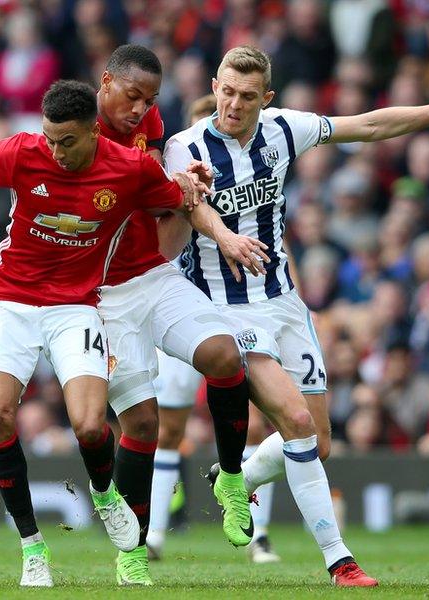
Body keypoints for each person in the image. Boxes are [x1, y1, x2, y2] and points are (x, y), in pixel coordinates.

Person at [159, 45, 429, 587]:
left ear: (265, 99)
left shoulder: (283, 128)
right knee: (294, 422)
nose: (232, 104)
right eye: (226, 91)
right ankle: (339, 559)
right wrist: (226, 236)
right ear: (215, 84)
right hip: (222, 308)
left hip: (284, 302)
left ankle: (235, 476)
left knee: (318, 441)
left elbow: (368, 125)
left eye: (246, 97)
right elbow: (190, 205)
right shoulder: (186, 145)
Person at [0, 80, 248, 587]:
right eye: (49, 139)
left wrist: (197, 194)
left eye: (66, 142)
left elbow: (181, 200)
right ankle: (33, 547)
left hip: (76, 304)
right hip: (10, 298)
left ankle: (103, 494)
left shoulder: (130, 168)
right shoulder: (21, 151)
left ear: (93, 131)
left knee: (92, 428)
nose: (55, 151)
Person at [94, 46, 270, 585]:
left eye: (149, 99)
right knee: (143, 423)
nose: (141, 109)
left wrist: (183, 186)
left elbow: (161, 199)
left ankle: (232, 478)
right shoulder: (75, 134)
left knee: (225, 354)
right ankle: (133, 552)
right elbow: (128, 190)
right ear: (104, 85)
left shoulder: (151, 122)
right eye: (133, 96)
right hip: (103, 294)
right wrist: (168, 187)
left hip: (155, 275)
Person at [148, 93, 283, 566]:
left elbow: (272, 249)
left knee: (255, 425)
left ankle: (259, 536)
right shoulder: (173, 176)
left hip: (238, 311)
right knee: (170, 429)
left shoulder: (246, 186)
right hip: (182, 309)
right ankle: (156, 536)